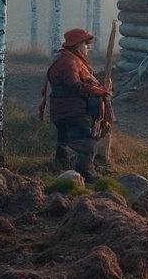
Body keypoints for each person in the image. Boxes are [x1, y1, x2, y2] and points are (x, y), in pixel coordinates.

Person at [40, 28, 110, 181]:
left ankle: (61, 171)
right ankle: (86, 173)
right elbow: (74, 84)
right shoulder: (69, 62)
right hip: (73, 111)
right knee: (84, 142)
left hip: (60, 111)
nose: (88, 47)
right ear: (77, 45)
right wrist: (95, 91)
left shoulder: (65, 59)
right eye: (85, 43)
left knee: (64, 142)